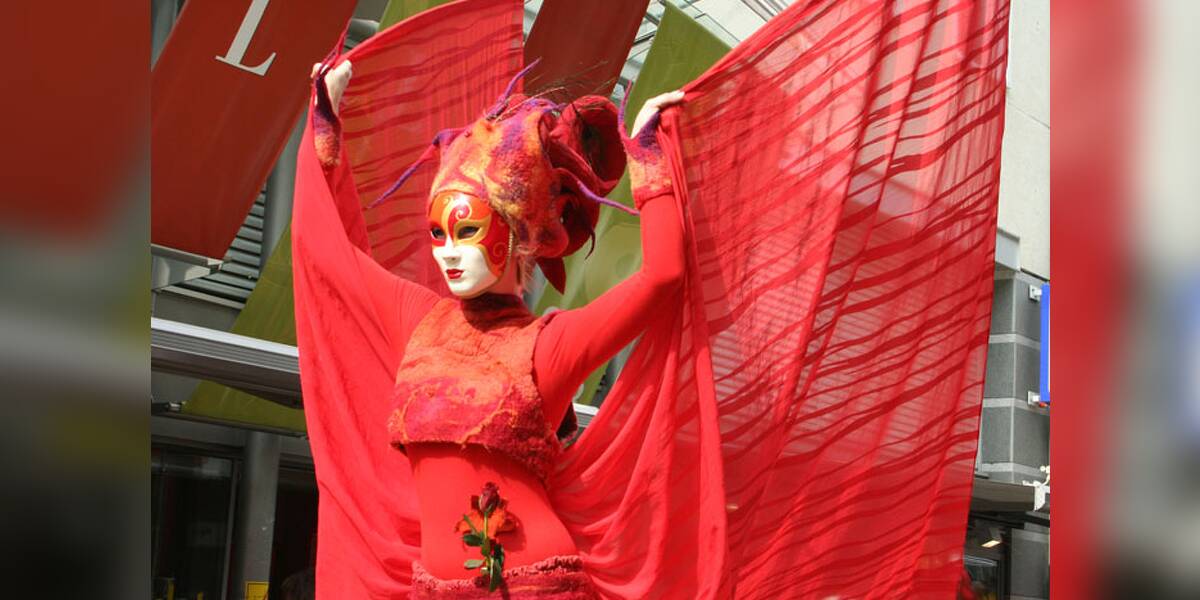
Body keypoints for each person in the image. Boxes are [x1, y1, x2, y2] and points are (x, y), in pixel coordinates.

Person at [301, 56, 683, 598]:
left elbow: (662, 275)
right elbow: (328, 253)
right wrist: (324, 123)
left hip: (533, 588)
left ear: (517, 232)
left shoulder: (548, 346)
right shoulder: (419, 320)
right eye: (438, 233)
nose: (449, 253)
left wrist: (648, 154)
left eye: (468, 231)